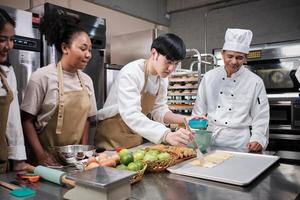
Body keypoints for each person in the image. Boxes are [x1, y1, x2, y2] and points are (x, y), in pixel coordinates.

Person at [21, 10, 97, 166]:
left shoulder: (87, 81)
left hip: (75, 160)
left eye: (90, 49)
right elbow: (26, 121)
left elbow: (87, 120)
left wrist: (82, 153)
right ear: (65, 48)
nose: (88, 54)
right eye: (83, 49)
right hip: (44, 161)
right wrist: (41, 156)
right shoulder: (42, 77)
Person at [95, 33, 195, 150]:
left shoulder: (162, 79)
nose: (171, 69)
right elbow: (131, 114)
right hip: (112, 135)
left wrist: (185, 119)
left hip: (134, 134)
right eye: (168, 61)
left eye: (175, 63)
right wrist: (166, 134)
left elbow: (159, 110)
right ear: (154, 53)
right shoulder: (132, 73)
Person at [192, 28, 269, 152]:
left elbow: (261, 115)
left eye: (239, 58)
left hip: (239, 142)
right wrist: (195, 136)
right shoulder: (209, 77)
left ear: (245, 57)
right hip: (210, 138)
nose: (234, 62)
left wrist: (258, 138)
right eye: (230, 56)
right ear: (222, 53)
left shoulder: (255, 81)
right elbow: (198, 111)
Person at [0, 8, 28, 173]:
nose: (8, 46)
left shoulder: (7, 73)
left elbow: (13, 119)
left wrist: (18, 159)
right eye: (2, 39)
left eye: (11, 40)